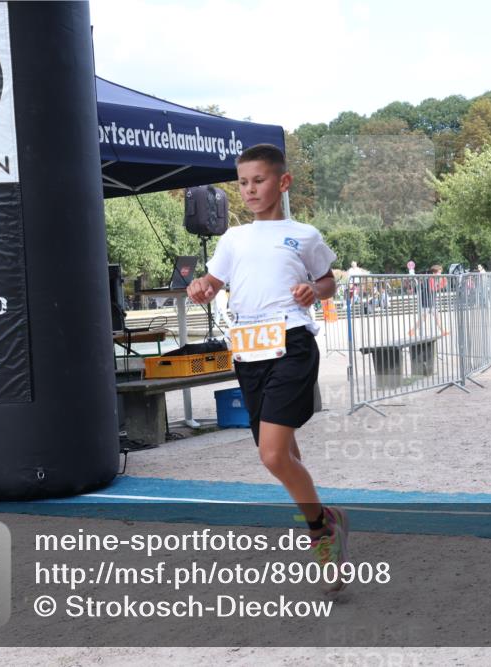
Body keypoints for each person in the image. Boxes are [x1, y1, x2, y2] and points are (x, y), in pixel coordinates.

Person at [186, 143, 349, 589]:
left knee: (272, 454)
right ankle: (324, 514)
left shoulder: (305, 235)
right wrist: (200, 287)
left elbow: (329, 281)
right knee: (283, 452)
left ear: (283, 182)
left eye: (259, 180)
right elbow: (213, 282)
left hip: (292, 343)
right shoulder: (233, 239)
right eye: (243, 182)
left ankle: (322, 531)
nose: (250, 190)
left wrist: (314, 291)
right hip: (248, 351)